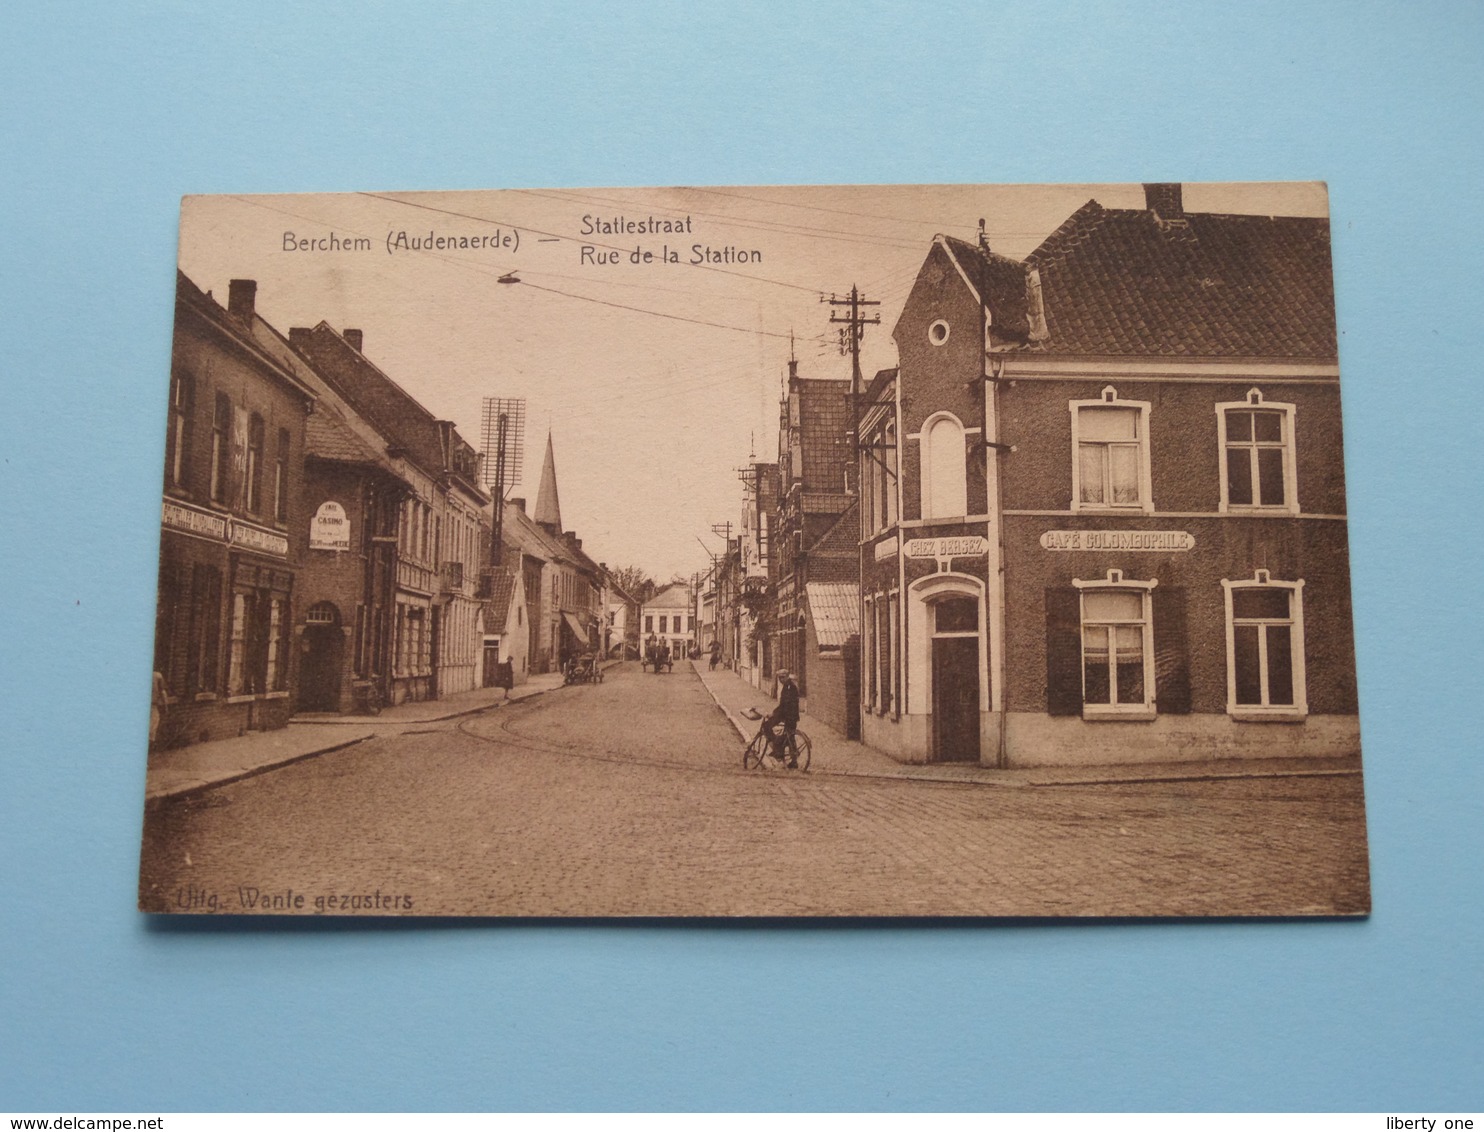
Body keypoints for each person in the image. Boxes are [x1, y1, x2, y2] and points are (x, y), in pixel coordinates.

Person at [763, 669, 801, 767]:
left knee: (766, 725)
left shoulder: (789, 687)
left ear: (787, 677)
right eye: (779, 678)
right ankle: (788, 757)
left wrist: (773, 713)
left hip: (788, 715)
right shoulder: (788, 686)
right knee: (789, 736)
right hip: (790, 715)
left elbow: (784, 705)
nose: (781, 680)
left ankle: (777, 749)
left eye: (782, 677)